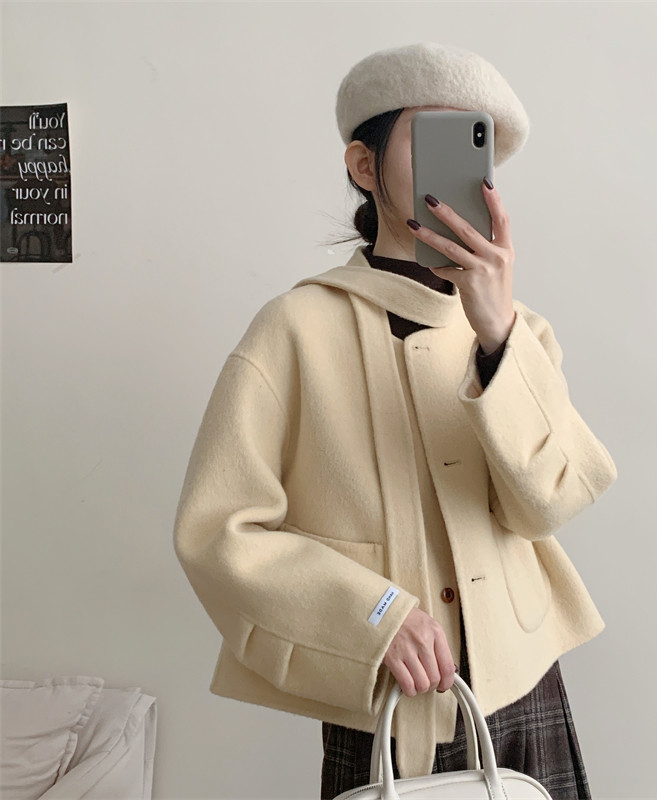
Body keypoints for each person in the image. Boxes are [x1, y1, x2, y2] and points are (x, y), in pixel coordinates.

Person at [173, 42, 617, 800]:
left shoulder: (520, 334)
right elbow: (218, 531)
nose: (462, 171)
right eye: (433, 139)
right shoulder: (293, 330)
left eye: (474, 146)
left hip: (526, 695)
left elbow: (548, 504)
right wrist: (373, 614)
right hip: (389, 705)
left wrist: (496, 334)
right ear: (363, 165)